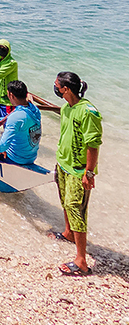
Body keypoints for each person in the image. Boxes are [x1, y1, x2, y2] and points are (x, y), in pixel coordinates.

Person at [51, 71, 102, 277]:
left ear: (66, 89)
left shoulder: (88, 112)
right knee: (65, 202)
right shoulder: (66, 108)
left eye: (56, 85)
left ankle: (81, 261)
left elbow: (93, 144)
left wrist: (88, 173)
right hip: (63, 164)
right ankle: (68, 233)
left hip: (79, 170)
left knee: (76, 209)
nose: (54, 87)